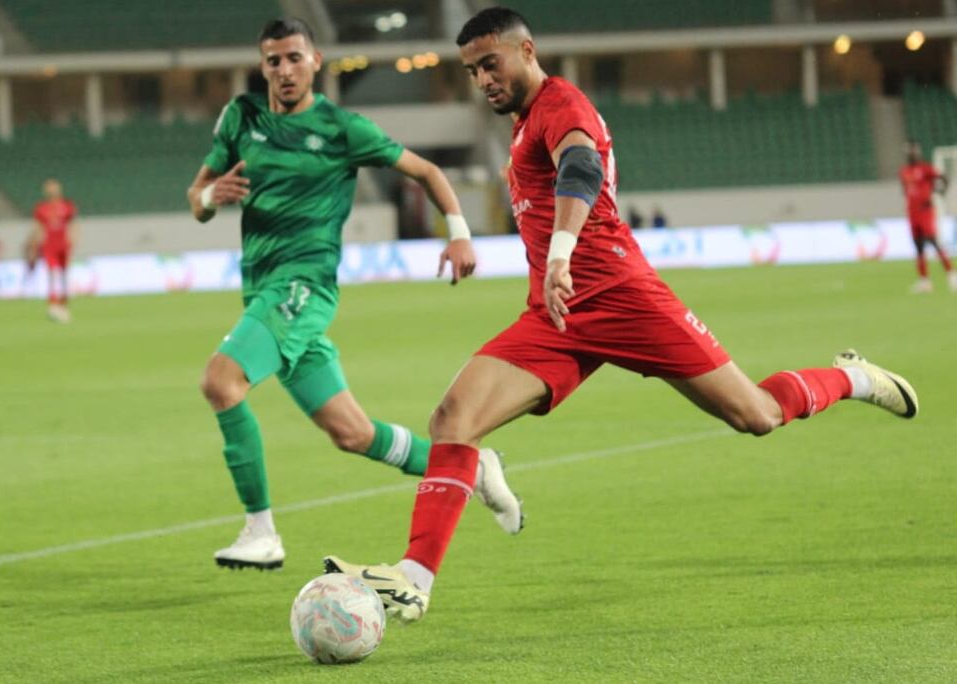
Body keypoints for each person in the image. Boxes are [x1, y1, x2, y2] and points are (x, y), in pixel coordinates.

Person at [325, 7, 920, 623]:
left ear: (526, 50)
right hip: (557, 316)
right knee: (453, 418)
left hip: (621, 296)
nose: (482, 81)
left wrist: (559, 255)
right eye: (473, 71)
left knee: (757, 415)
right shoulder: (527, 119)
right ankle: (414, 577)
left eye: (490, 64)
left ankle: (850, 378)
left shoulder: (562, 107)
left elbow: (580, 169)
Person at [188, 17, 522, 571]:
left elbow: (427, 171)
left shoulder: (343, 129)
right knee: (352, 433)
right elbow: (196, 195)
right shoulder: (241, 118)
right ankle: (472, 465)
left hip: (304, 287)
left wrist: (459, 234)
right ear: (262, 65)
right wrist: (209, 197)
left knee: (221, 381)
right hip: (264, 293)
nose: (284, 69)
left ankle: (260, 531)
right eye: (273, 60)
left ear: (316, 61)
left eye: (295, 57)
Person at [899, 140, 954, 293]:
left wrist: (939, 192)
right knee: (918, 247)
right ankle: (925, 281)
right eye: (909, 151)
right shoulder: (904, 171)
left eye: (913, 151)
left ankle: (951, 275)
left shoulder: (925, 168)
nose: (911, 154)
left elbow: (944, 178)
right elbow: (905, 190)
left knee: (933, 242)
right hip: (912, 213)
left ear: (918, 152)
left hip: (925, 211)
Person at [33, 179, 77, 322]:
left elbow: (73, 224)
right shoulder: (41, 208)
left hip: (63, 244)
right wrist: (37, 243)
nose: (52, 191)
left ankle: (63, 305)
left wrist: (73, 240)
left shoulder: (67, 205)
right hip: (49, 245)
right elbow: (38, 228)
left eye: (54, 188)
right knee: (52, 274)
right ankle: (52, 305)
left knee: (64, 275)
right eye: (49, 189)